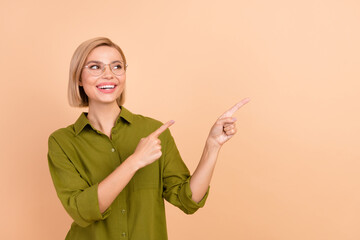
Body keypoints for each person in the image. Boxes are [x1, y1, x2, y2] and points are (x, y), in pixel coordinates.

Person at [47, 37, 250, 240]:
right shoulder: (62, 141)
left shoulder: (153, 130)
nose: (108, 75)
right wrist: (135, 161)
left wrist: (212, 146)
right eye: (95, 67)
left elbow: (188, 200)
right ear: (79, 78)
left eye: (116, 66)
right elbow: (82, 210)